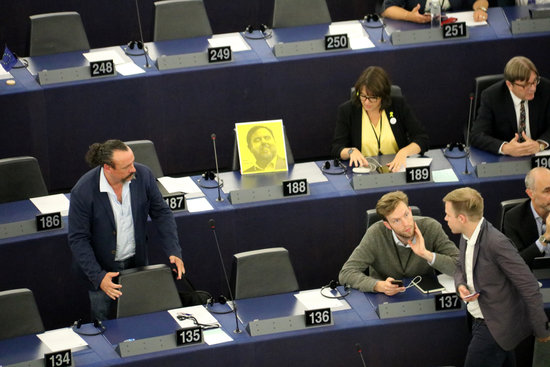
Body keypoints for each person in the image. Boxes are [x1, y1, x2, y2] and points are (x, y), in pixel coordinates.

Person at [68, 139, 185, 321]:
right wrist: (99, 277)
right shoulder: (83, 192)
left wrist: (173, 250)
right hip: (103, 272)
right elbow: (78, 239)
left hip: (136, 264)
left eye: (133, 162)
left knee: (141, 319)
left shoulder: (144, 175)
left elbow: (162, 212)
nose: (133, 169)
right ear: (108, 168)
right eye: (126, 166)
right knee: (106, 325)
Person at [442, 187, 550, 367]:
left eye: (448, 214)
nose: (445, 218)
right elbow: (461, 265)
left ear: (462, 218)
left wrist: (543, 331)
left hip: (494, 327)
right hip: (481, 320)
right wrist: (461, 285)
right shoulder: (466, 235)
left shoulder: (497, 243)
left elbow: (529, 285)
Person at [338, 191, 458, 295]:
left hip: (425, 294)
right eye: (396, 220)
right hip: (385, 298)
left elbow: (460, 266)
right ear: (387, 225)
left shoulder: (430, 227)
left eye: (406, 215)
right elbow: (346, 273)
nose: (406, 223)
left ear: (410, 211)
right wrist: (377, 285)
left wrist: (426, 254)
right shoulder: (376, 234)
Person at [331, 66, 429, 173]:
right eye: (363, 96)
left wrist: (404, 152)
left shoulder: (398, 105)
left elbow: (422, 139)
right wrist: (350, 151)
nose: (367, 102)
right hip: (364, 171)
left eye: (373, 97)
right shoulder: (348, 110)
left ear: (383, 95)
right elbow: (336, 148)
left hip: (396, 168)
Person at [471, 56, 550, 157]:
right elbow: (477, 135)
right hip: (507, 159)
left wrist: (540, 144)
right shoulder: (492, 96)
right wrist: (506, 148)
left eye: (535, 81)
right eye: (525, 85)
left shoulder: (546, 89)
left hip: (539, 157)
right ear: (509, 85)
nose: (533, 88)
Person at [503, 167, 550, 267]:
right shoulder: (513, 218)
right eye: (547, 191)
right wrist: (545, 237)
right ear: (530, 193)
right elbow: (516, 262)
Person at [381, 0, 489, 24]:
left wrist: (481, 9)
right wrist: (409, 15)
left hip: (452, 26)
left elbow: (481, 0)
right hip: (416, 27)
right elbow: (388, 9)